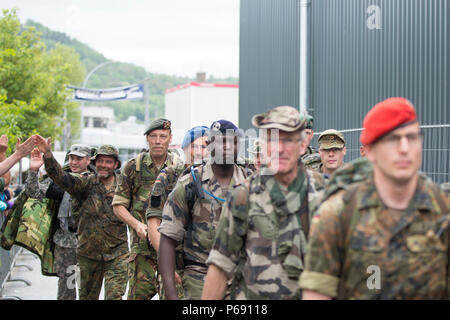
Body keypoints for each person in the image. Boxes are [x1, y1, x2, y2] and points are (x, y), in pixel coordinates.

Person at [299, 97, 450, 300]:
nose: (404, 148)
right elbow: (317, 293)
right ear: (368, 151)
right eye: (392, 139)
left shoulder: (442, 209)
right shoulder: (338, 213)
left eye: (412, 137)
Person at [202, 106, 325, 300]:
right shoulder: (244, 196)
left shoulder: (324, 193)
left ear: (303, 145)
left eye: (288, 140)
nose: (280, 148)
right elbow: (220, 266)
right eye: (272, 139)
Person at [158, 120, 249, 300]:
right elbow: (167, 241)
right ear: (209, 145)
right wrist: (171, 294)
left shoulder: (251, 184)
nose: (227, 147)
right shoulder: (190, 184)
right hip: (199, 279)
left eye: (232, 141)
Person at [34, 135, 129, 300]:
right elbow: (62, 178)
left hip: (117, 253)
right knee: (86, 296)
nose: (103, 165)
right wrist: (48, 155)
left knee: (115, 296)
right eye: (100, 161)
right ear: (95, 162)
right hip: (88, 254)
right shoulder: (85, 183)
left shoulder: (125, 186)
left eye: (108, 162)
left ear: (115, 165)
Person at [112, 118, 184, 300]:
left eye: (163, 136)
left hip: (170, 250)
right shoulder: (133, 168)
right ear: (147, 139)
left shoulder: (179, 168)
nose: (158, 141)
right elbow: (118, 205)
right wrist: (136, 225)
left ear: (170, 138)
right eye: (153, 136)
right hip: (142, 252)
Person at [146, 126, 210, 299]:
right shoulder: (169, 177)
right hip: (178, 267)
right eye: (193, 146)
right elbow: (153, 223)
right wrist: (169, 264)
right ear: (183, 149)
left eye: (204, 146)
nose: (198, 151)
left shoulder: (217, 179)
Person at [25, 144, 93, 300]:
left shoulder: (96, 181)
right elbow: (33, 192)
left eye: (79, 158)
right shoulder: (60, 182)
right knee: (67, 285)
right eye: (72, 158)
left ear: (88, 160)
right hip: (66, 241)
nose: (74, 162)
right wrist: (33, 170)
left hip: (90, 242)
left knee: (87, 286)